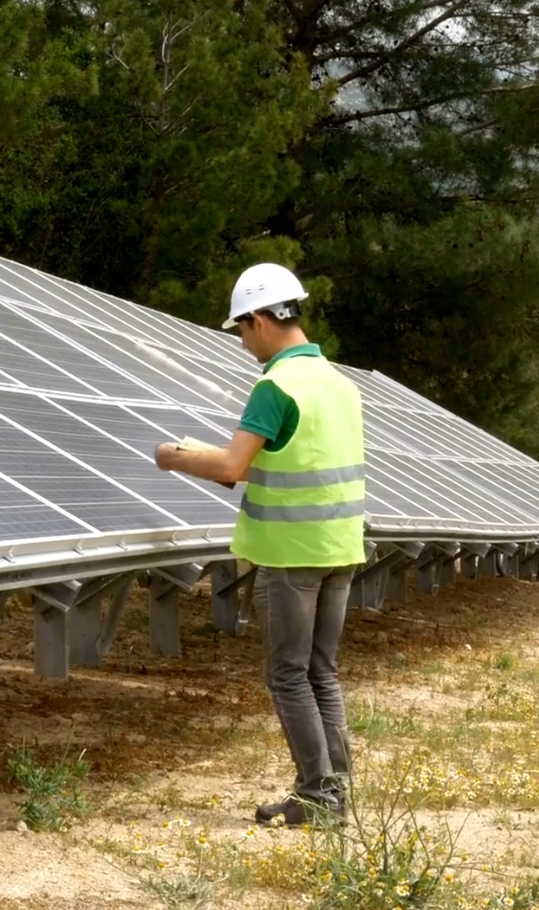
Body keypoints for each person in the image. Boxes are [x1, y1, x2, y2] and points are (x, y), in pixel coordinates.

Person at [153, 262, 366, 827]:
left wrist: (174, 457)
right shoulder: (339, 385)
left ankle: (317, 796)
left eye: (243, 330)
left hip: (289, 555)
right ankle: (337, 790)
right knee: (322, 672)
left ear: (261, 319)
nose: (244, 343)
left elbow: (232, 463)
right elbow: (289, 462)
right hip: (340, 548)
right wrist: (220, 462)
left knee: (289, 675)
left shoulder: (275, 386)